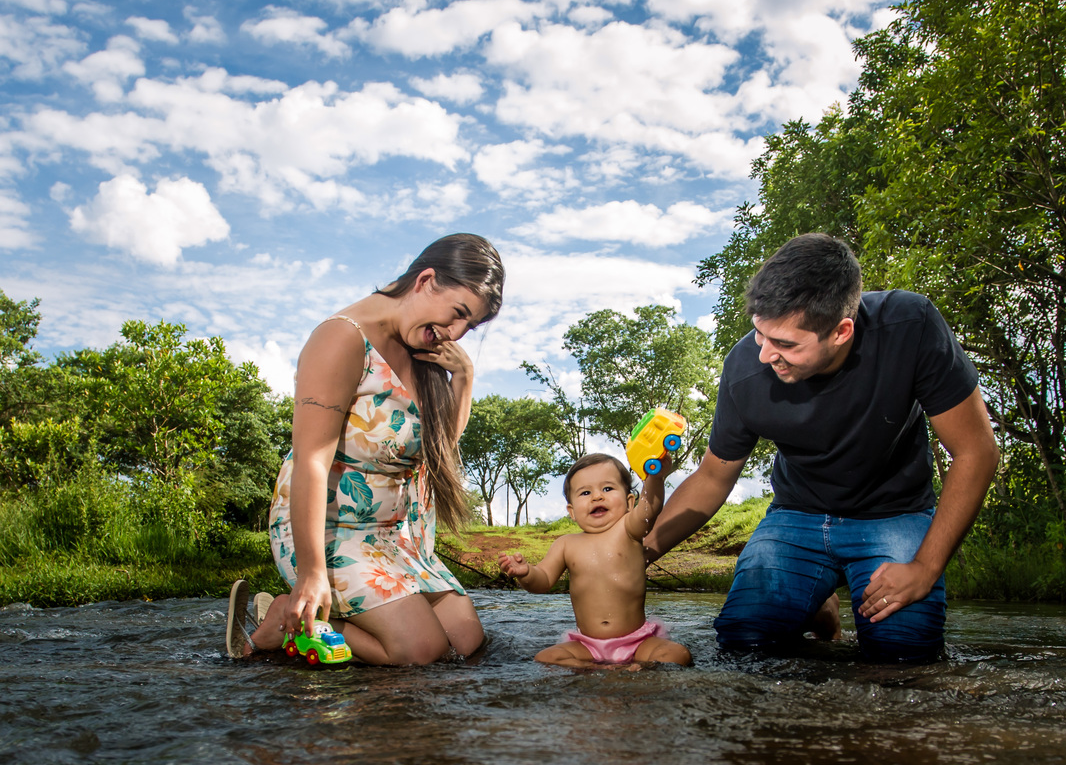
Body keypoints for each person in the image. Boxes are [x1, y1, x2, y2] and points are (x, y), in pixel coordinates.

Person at [643, 233, 999, 663]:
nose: (764, 355)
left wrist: (925, 567)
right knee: (744, 644)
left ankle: (825, 599)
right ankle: (817, 601)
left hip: (895, 514)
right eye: (760, 333)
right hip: (797, 516)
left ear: (841, 331)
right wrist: (638, 553)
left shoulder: (911, 325)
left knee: (903, 657)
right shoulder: (743, 368)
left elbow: (976, 451)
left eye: (786, 344)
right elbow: (713, 477)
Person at [225, 233, 504, 665]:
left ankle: (319, 622)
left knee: (466, 643)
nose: (457, 334)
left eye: (471, 326)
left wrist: (464, 379)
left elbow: (438, 451)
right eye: (459, 315)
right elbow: (312, 461)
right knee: (420, 651)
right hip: (334, 527)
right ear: (427, 280)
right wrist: (312, 574)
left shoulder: (425, 351)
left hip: (398, 533)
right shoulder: (342, 338)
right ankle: (284, 618)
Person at [498, 453, 693, 669]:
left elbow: (650, 507)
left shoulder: (629, 529)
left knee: (677, 653)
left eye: (607, 489)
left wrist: (655, 478)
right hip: (588, 645)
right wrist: (526, 573)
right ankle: (594, 668)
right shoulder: (566, 544)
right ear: (571, 511)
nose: (597, 497)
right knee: (545, 657)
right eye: (585, 492)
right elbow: (543, 580)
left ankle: (640, 666)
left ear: (630, 502)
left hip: (638, 641)